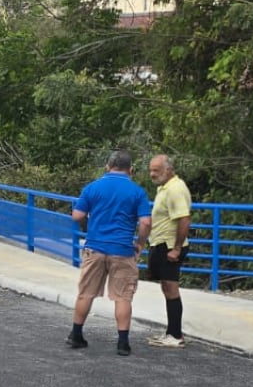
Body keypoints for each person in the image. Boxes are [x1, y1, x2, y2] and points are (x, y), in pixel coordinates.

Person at [68, 150, 153, 356]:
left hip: (95, 247)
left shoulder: (93, 187)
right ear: (130, 170)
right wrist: (140, 242)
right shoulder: (137, 192)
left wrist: (91, 223)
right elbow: (146, 222)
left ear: (107, 167)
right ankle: (122, 343)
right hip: (123, 249)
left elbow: (77, 215)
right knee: (123, 297)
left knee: (86, 292)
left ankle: (76, 334)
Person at [144, 154, 192, 348]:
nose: (152, 174)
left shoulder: (175, 189)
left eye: (156, 170)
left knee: (171, 289)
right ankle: (171, 332)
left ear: (169, 170)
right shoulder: (165, 188)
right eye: (151, 170)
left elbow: (184, 218)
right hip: (161, 243)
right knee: (166, 288)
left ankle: (175, 335)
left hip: (169, 245)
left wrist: (177, 248)